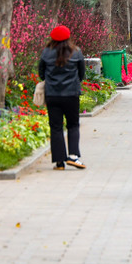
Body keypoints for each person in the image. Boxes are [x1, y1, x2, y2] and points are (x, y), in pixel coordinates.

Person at [38, 25, 86, 170]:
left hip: (52, 95)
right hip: (71, 95)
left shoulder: (46, 52)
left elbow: (41, 73)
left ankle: (59, 162)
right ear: (68, 37)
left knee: (56, 127)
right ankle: (73, 156)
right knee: (73, 125)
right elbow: (81, 74)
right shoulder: (76, 52)